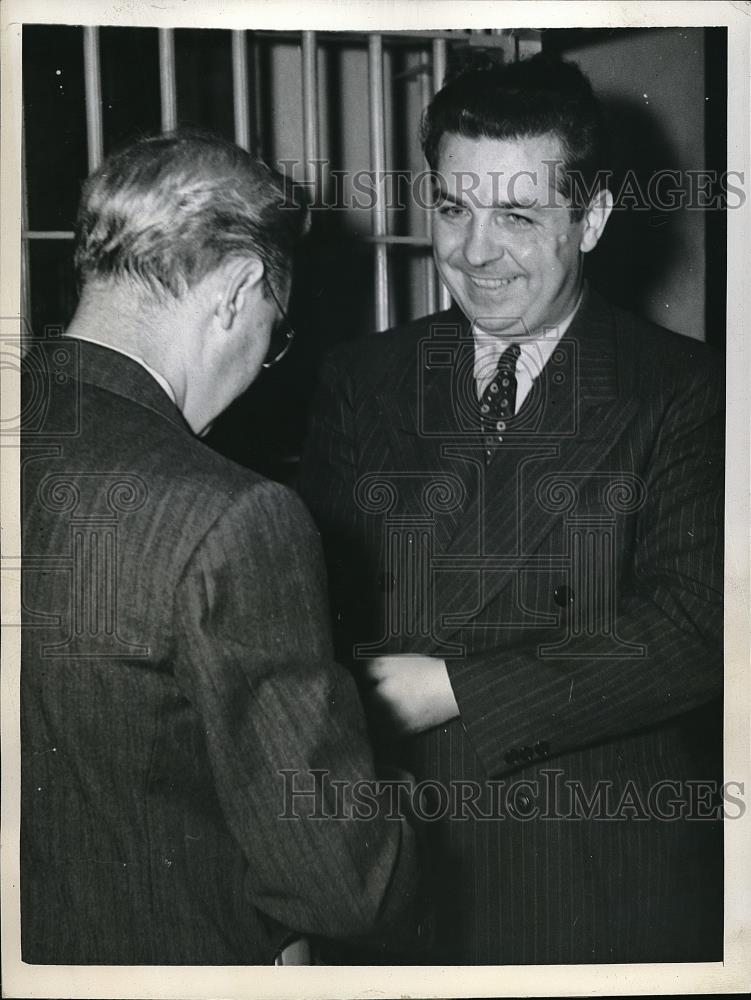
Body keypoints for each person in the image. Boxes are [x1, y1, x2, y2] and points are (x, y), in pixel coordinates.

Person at [298, 55, 724, 964]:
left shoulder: (687, 390)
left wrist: (450, 689)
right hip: (396, 871)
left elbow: (698, 626)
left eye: (517, 216)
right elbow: (315, 605)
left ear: (594, 217)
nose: (473, 251)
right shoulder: (363, 379)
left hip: (588, 875)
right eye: (453, 208)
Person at [20, 130, 427, 965]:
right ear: (239, 289)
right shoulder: (232, 515)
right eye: (274, 338)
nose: (260, 367)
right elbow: (344, 884)